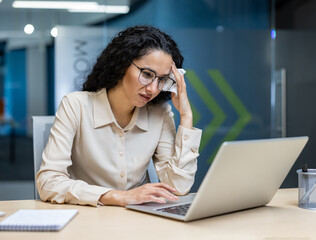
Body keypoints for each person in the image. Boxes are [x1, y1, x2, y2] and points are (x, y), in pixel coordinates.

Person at [36, 26, 202, 207]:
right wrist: (116, 197)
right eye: (147, 74)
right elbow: (48, 182)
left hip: (137, 222)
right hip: (85, 219)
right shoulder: (75, 105)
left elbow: (177, 187)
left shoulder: (159, 113)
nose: (153, 89)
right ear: (122, 64)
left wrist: (186, 116)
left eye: (162, 79)